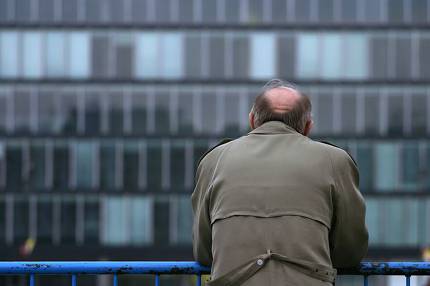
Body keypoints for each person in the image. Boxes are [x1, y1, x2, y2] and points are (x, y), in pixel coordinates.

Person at [191, 79, 368, 286]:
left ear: (252, 120)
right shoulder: (335, 161)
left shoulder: (215, 160)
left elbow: (204, 252)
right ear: (308, 127)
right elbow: (350, 253)